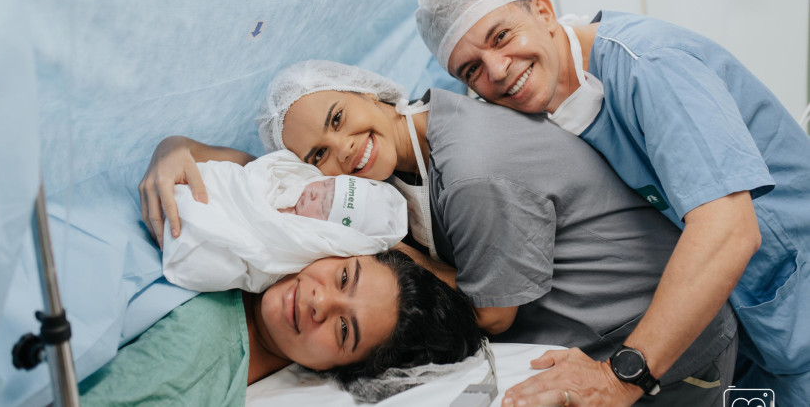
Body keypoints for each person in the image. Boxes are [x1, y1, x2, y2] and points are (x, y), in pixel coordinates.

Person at [140, 59, 739, 406]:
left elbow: (495, 316)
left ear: (370, 90)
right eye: (319, 153)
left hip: (664, 343)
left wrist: (380, 251)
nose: (343, 151)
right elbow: (260, 173)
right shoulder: (391, 166)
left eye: (339, 119)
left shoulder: (475, 172)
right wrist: (175, 148)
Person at [415, 0, 810, 405]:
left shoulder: (650, 68)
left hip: (793, 304)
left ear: (543, 12)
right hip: (746, 327)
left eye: (501, 36)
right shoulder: (557, 109)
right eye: (471, 70)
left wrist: (620, 377)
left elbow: (728, 230)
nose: (498, 69)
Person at [78, 249, 483, 405]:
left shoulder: (196, 356)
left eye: (344, 331)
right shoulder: (241, 244)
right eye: (344, 277)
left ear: (336, 369)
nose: (319, 302)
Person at [162, 149, 408, 292]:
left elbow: (266, 249)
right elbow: (252, 177)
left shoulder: (301, 244)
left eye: (323, 206)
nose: (314, 193)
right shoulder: (293, 178)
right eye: (325, 185)